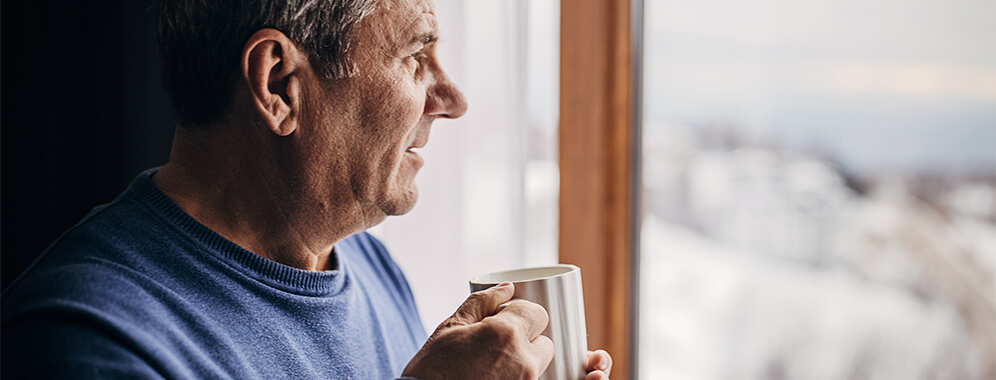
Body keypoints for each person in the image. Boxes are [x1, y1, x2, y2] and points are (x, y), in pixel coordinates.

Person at [0, 0, 612, 378]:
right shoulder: (87, 343)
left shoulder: (365, 263)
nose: (452, 100)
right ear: (279, 85)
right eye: (415, 57)